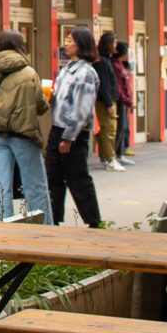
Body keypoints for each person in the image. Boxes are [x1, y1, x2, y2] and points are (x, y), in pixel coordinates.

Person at [0, 30, 51, 224]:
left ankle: (3, 236)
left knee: (0, 189)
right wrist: (48, 98)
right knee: (35, 187)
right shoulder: (29, 72)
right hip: (24, 135)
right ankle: (43, 232)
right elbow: (40, 107)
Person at [46, 27, 103, 228]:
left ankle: (94, 221)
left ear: (81, 43)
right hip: (57, 128)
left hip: (73, 133)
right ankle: (53, 219)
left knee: (77, 177)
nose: (65, 43)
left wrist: (69, 137)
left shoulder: (86, 72)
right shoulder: (67, 69)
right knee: (53, 176)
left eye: (70, 40)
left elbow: (82, 108)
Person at [93, 32, 123, 172]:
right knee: (109, 130)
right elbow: (103, 84)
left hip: (107, 100)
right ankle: (110, 158)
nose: (116, 45)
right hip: (105, 102)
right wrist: (109, 103)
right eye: (114, 42)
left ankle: (106, 157)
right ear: (108, 44)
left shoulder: (106, 59)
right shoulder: (101, 62)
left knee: (106, 130)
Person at [112, 42, 135, 164]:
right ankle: (115, 154)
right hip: (121, 101)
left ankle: (120, 153)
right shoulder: (115, 66)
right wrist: (127, 100)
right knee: (120, 127)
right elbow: (119, 87)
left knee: (124, 126)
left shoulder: (121, 65)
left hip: (125, 100)